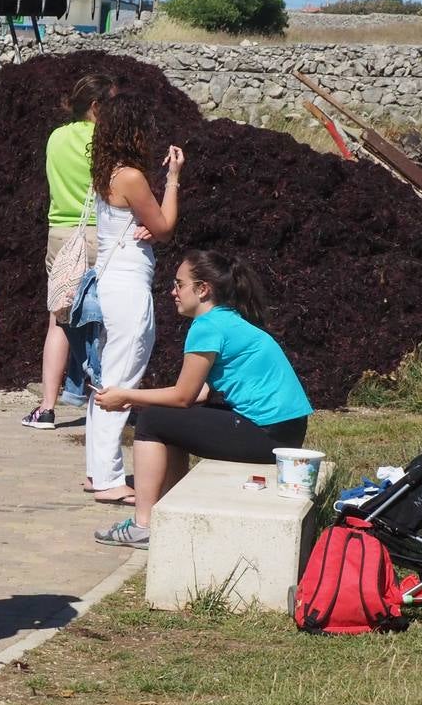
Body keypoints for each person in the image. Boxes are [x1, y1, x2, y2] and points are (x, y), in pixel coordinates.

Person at [93, 250, 313, 549]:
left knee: (152, 421)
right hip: (284, 431)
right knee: (164, 419)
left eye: (179, 284)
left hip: (266, 433)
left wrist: (126, 395)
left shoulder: (207, 326)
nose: (173, 292)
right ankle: (169, 513)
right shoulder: (227, 320)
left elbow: (183, 397)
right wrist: (136, 399)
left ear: (203, 289)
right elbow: (202, 393)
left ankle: (143, 525)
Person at [84, 94, 185, 506]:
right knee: (123, 379)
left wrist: (148, 221)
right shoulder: (131, 176)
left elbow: (145, 222)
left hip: (109, 277)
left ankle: (98, 471)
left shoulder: (104, 170)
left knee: (108, 375)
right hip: (128, 283)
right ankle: (108, 478)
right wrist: (174, 178)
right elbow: (164, 227)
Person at [22, 74, 116, 432]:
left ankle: (47, 408)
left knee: (59, 320)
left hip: (61, 234)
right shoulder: (107, 139)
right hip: (102, 233)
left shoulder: (56, 137)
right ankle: (104, 398)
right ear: (96, 106)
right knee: (106, 320)